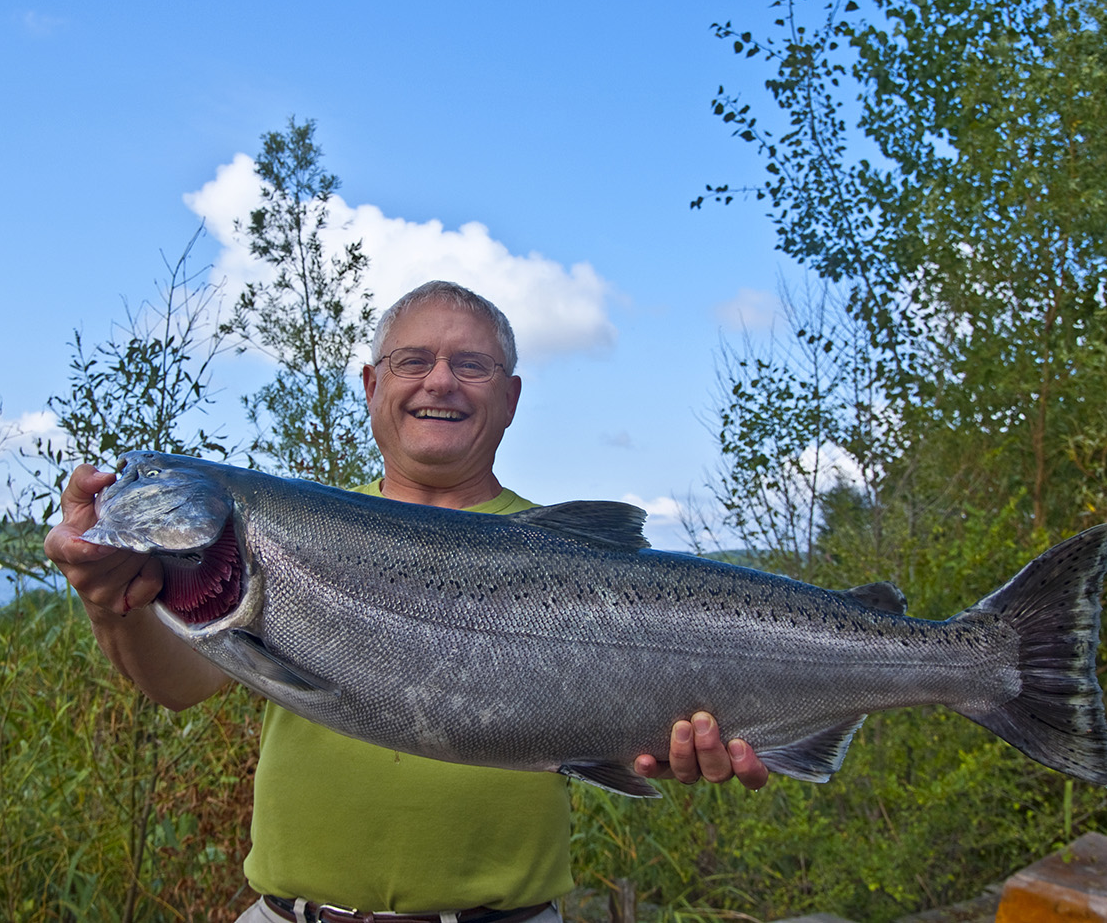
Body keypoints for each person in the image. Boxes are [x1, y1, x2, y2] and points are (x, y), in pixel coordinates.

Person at [45, 280, 768, 922]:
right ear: (370, 384)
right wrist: (109, 598)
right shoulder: (275, 539)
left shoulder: (571, 550)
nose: (441, 382)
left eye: (472, 364)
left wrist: (664, 732)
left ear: (511, 397)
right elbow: (178, 684)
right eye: (413, 361)